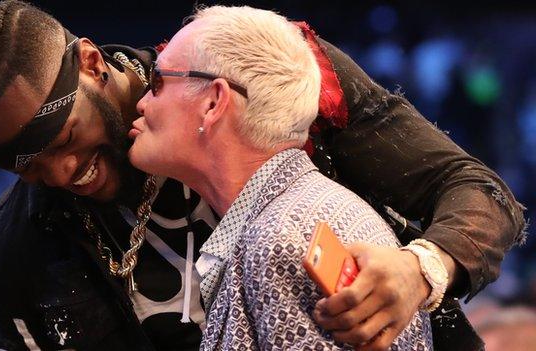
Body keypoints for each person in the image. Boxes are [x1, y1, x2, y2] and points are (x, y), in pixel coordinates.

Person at [0, 1, 525, 350]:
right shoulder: (17, 247)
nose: (59, 172)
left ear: (93, 65)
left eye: (63, 139)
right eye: (18, 163)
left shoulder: (260, 72)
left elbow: (481, 193)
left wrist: (419, 268)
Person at [128, 6, 434, 349]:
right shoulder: (300, 216)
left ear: (213, 102)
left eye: (157, 82)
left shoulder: (280, 240)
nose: (141, 103)